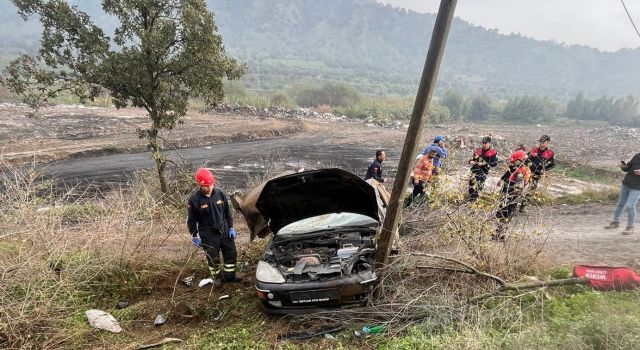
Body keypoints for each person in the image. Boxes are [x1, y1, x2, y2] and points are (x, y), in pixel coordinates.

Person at [187, 167, 239, 287]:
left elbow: (227, 212)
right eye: (206, 186)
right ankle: (217, 278)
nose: (209, 187)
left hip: (224, 230)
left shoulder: (219, 193)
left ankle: (230, 277)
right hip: (208, 234)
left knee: (231, 254)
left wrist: (231, 227)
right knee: (212, 258)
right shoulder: (194, 200)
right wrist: (194, 235)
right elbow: (191, 221)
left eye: (210, 184)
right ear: (199, 184)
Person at [494, 150, 531, 241]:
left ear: (519, 160)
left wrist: (521, 193)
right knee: (500, 213)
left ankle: (501, 234)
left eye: (514, 161)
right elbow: (507, 174)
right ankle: (499, 232)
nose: (512, 162)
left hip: (514, 194)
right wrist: (501, 180)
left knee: (506, 214)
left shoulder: (524, 170)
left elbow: (526, 184)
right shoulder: (514, 168)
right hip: (506, 192)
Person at [604, 152, 640, 235]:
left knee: (630, 206)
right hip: (626, 184)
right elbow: (628, 168)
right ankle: (615, 222)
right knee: (620, 203)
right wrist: (624, 166)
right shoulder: (637, 155)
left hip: (637, 188)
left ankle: (630, 227)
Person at [520, 135, 556, 212]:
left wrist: (543, 170)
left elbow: (552, 165)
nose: (541, 143)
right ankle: (513, 204)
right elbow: (525, 159)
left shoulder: (549, 153)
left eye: (543, 142)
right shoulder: (534, 149)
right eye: (540, 141)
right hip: (526, 173)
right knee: (520, 189)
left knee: (530, 190)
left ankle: (523, 207)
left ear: (547, 143)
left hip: (536, 174)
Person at [467, 136, 498, 202]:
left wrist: (484, 164)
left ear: (489, 143)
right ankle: (470, 200)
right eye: (483, 142)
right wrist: (471, 161)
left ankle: (474, 201)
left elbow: (494, 164)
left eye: (485, 143)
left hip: (483, 172)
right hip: (474, 170)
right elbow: (470, 160)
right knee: (471, 186)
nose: (483, 144)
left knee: (479, 186)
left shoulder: (493, 153)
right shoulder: (478, 151)